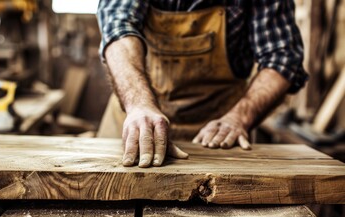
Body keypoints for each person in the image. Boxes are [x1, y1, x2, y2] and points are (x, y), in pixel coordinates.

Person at [96, 0, 308, 168]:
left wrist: (239, 118)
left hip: (220, 135)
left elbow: (282, 56)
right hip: (135, 117)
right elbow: (118, 28)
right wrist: (139, 104)